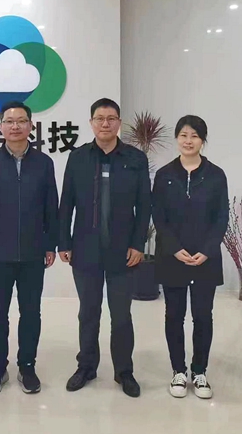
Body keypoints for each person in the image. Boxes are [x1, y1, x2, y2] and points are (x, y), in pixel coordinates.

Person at [58, 98, 151, 398]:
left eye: (111, 118)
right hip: (85, 250)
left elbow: (144, 205)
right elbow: (66, 203)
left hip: (123, 252)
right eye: (99, 118)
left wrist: (138, 244)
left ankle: (124, 371)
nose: (105, 124)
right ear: (91, 123)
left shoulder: (135, 159)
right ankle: (86, 366)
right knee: (88, 313)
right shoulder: (78, 158)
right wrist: (64, 242)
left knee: (121, 316)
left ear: (119, 123)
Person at [0, 101, 59, 397]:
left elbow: (51, 207)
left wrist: (50, 243)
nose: (15, 126)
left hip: (33, 252)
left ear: (31, 126)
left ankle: (27, 367)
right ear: (1, 126)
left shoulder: (44, 163)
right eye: (9, 121)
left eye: (21, 121)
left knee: (31, 312)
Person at [152, 115, 229, 400]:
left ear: (203, 140)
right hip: (173, 256)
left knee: (202, 316)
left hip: (205, 259)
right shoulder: (164, 175)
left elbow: (221, 217)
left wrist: (207, 250)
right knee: (174, 315)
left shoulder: (216, 175)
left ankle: (199, 371)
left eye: (194, 136)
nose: (188, 141)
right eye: (183, 135)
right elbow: (158, 215)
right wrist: (173, 248)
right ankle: (178, 371)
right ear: (177, 139)